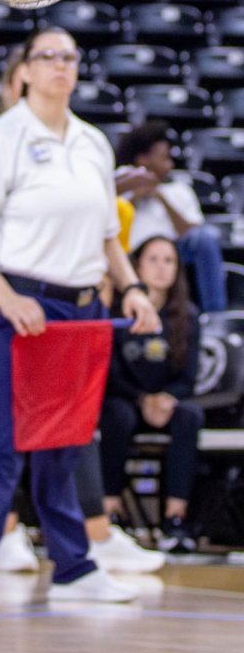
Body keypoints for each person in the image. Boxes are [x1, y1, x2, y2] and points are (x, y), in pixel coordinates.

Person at [0, 27, 161, 613]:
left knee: (66, 438)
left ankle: (73, 566)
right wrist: (8, 300)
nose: (61, 65)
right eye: (48, 56)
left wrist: (133, 287)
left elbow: (109, 235)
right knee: (5, 440)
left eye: (69, 56)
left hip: (82, 306)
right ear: (26, 71)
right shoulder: (1, 139)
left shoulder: (92, 142)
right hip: (22, 303)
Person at [100, 235, 203, 554]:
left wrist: (166, 398)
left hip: (166, 401)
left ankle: (175, 519)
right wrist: (143, 399)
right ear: (137, 267)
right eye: (153, 259)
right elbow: (110, 374)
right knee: (117, 414)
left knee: (191, 415)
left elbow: (189, 378)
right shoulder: (117, 311)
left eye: (169, 260)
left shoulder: (188, 316)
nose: (161, 268)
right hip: (127, 398)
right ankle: (110, 511)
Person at [116, 120, 227, 313]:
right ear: (143, 159)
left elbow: (191, 232)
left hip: (171, 254)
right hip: (130, 253)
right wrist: (135, 196)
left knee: (206, 237)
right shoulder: (122, 181)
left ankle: (215, 314)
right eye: (164, 158)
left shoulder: (179, 190)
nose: (170, 165)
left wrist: (161, 197)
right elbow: (105, 219)